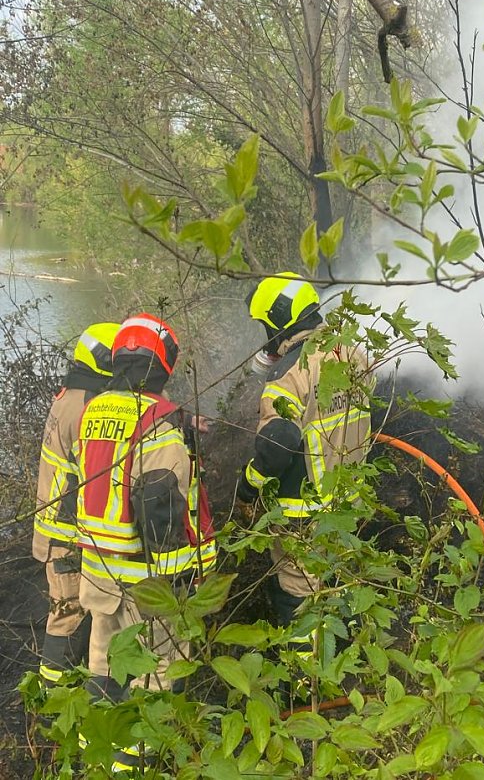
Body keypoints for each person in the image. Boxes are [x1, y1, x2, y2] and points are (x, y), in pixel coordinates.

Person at [76, 313, 217, 709]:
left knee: (105, 664)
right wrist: (175, 583)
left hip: (100, 567)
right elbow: (158, 506)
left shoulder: (95, 409)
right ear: (164, 364)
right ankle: (146, 747)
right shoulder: (159, 425)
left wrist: (179, 419)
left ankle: (97, 742)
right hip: (147, 579)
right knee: (158, 672)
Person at [238, 272, 371, 631]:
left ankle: (302, 665)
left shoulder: (289, 374)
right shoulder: (352, 352)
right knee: (339, 585)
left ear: (278, 322)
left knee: (299, 597)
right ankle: (343, 657)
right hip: (348, 502)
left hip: (304, 515)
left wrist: (248, 485)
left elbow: (278, 443)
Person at [33, 321, 121, 686]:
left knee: (72, 610)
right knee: (68, 615)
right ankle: (54, 698)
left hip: (59, 529)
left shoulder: (73, 394)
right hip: (66, 534)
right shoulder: (88, 406)